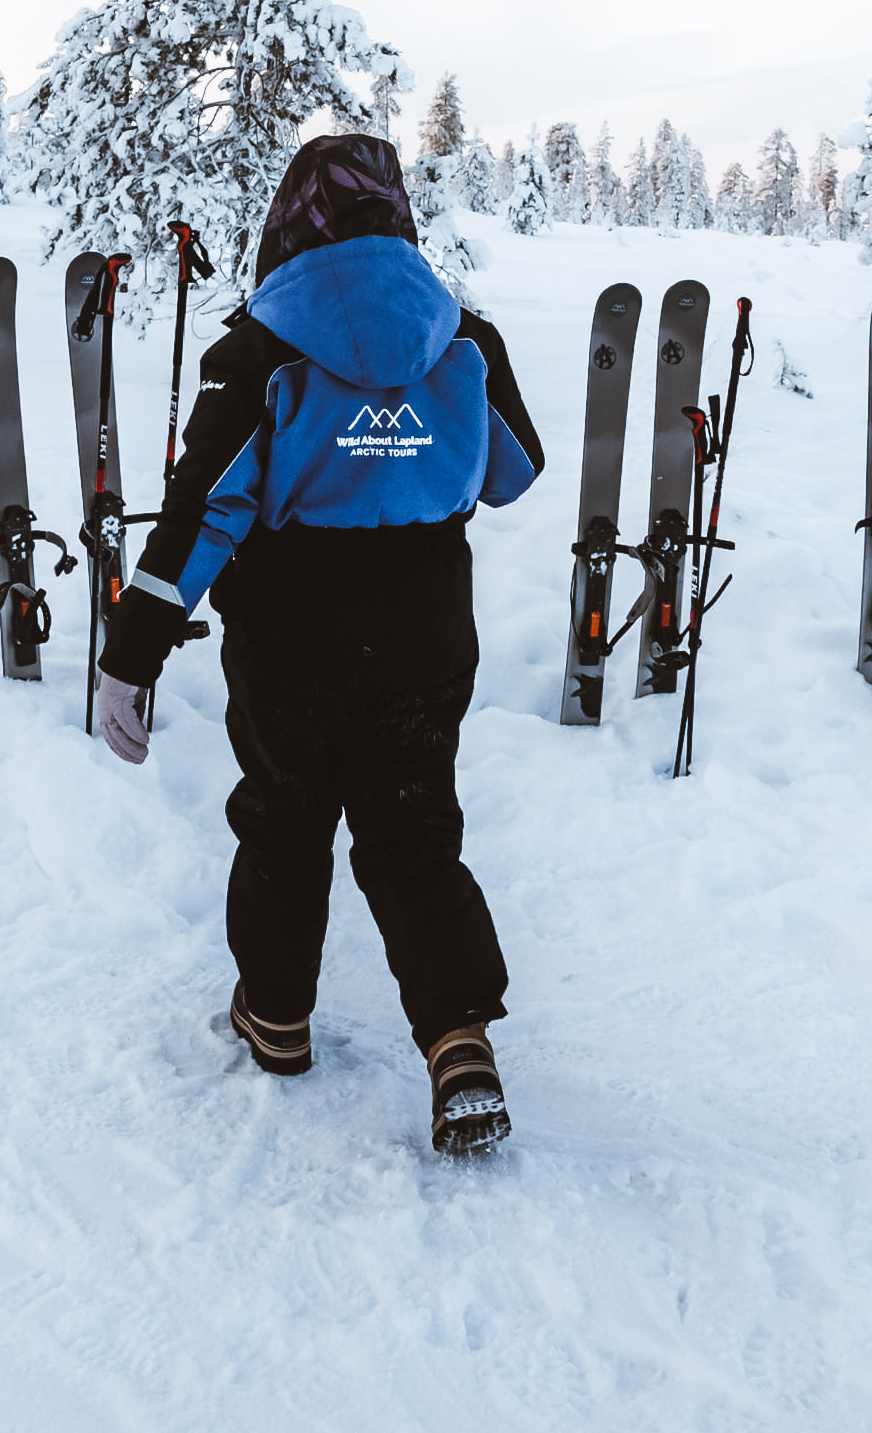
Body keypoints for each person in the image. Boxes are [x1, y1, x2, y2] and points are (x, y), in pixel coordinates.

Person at [95, 134, 544, 1156]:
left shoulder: (257, 351)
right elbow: (513, 470)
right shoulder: (464, 338)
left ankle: (276, 1016)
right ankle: (459, 1041)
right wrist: (411, 435)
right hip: (426, 627)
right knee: (412, 833)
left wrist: (131, 653)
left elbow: (200, 516)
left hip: (292, 639)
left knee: (284, 824)